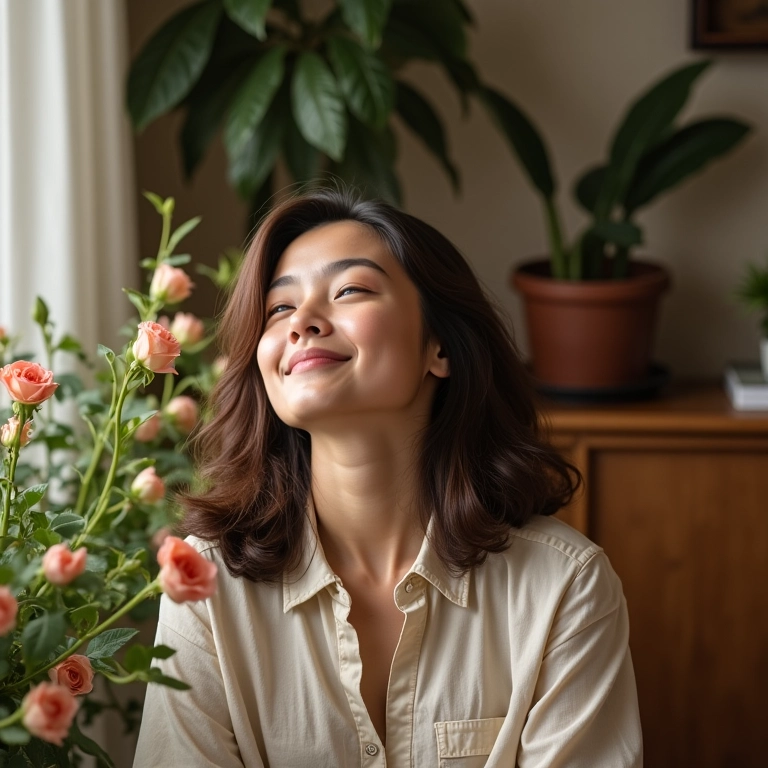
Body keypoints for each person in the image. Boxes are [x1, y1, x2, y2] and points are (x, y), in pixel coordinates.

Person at [133, 188, 643, 767]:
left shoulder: (564, 585)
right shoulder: (205, 585)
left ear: (439, 346)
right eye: (278, 308)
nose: (301, 322)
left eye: (350, 290)